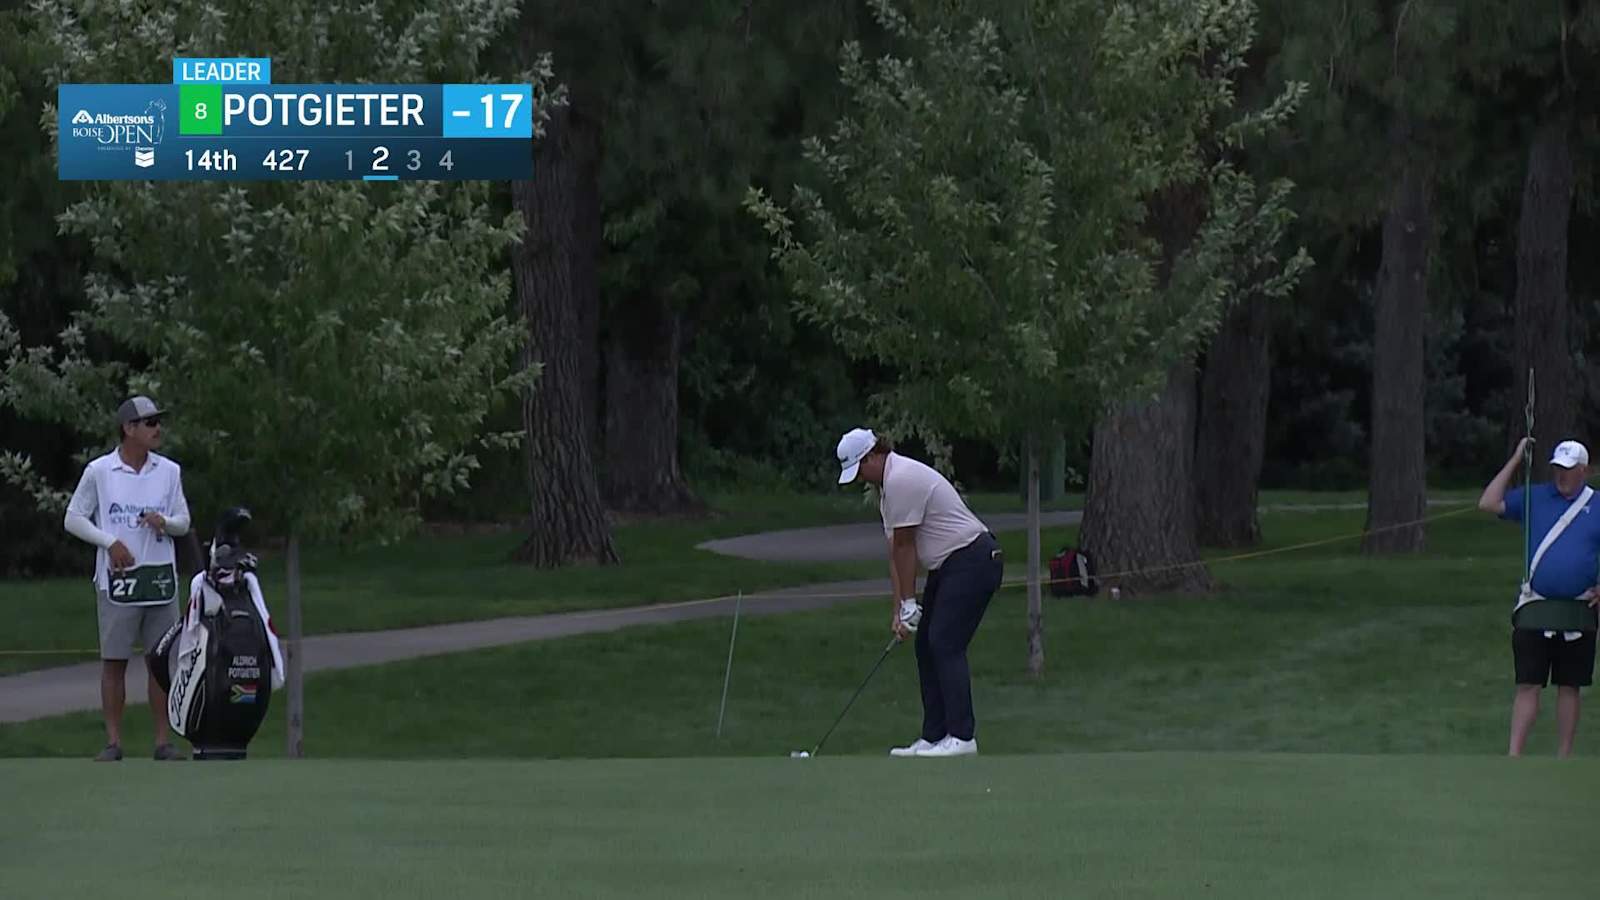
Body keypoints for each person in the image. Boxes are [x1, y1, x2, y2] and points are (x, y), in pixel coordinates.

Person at [835, 427, 1003, 758]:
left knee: (944, 641)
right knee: (926, 646)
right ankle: (934, 735)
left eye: (860, 469)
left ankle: (962, 736)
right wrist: (899, 610)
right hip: (952, 565)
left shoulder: (902, 478)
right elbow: (895, 552)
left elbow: (907, 545)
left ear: (872, 456)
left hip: (974, 558)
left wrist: (911, 601)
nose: (859, 478)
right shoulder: (886, 490)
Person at [63, 395, 192, 761]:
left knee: (160, 662)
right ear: (128, 428)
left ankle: (163, 742)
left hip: (160, 581)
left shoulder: (169, 471)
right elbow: (73, 518)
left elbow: (183, 522)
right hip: (118, 582)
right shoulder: (100, 471)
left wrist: (164, 522)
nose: (157, 429)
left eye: (158, 422)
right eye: (149, 423)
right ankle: (114, 742)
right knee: (114, 661)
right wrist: (109, 542)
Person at [1478, 437, 1600, 758]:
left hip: (1577, 609)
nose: (1562, 475)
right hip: (1537, 605)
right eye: (1558, 468)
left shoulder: (1597, 504)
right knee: (1528, 683)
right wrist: (1516, 459)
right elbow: (1488, 503)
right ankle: (1513, 756)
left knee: (1569, 686)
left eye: (1569, 470)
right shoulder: (1535, 497)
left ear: (1583, 471)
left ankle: (1564, 756)